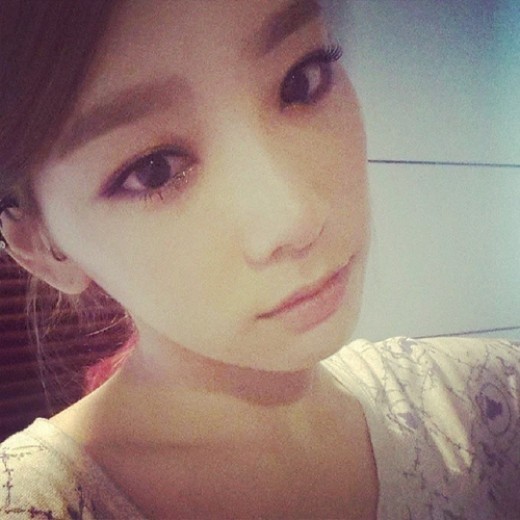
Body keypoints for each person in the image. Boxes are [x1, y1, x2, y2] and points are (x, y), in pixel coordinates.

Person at [0, 1, 518, 518]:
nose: (297, 219)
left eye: (301, 82)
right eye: (154, 169)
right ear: (41, 248)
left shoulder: (482, 409)